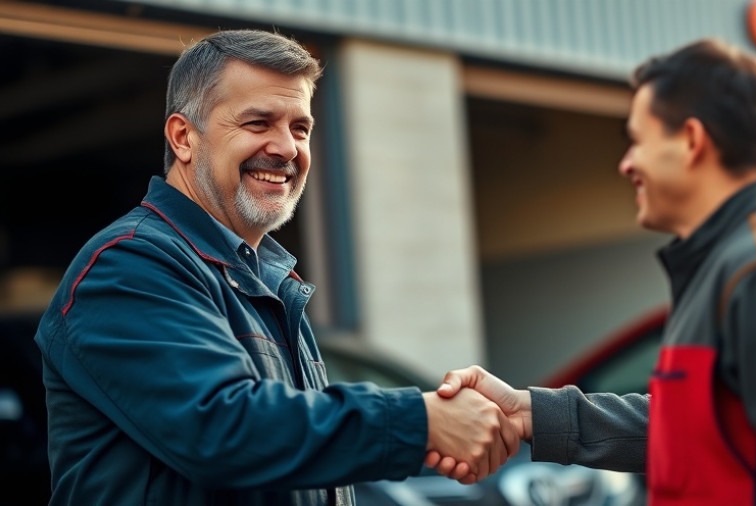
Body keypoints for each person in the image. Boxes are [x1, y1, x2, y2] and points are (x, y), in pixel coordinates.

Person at [33, 28, 519, 505]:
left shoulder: (265, 280)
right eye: (258, 123)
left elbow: (294, 454)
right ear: (184, 137)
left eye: (300, 127)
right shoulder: (128, 265)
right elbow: (222, 429)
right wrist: (423, 420)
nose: (287, 148)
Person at [427, 38, 756, 504]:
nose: (627, 163)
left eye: (637, 139)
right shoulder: (726, 267)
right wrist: (529, 412)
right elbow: (692, 433)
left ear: (691, 141)